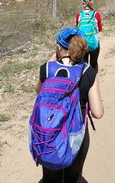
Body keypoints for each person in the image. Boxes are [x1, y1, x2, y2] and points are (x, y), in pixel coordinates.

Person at [35, 27, 104, 183]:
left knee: (50, 178)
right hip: (76, 134)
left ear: (58, 47)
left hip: (48, 133)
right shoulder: (88, 72)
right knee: (74, 177)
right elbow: (98, 113)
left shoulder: (46, 69)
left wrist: (55, 55)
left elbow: (38, 91)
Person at [76, 0, 102, 72]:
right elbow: (100, 29)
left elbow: (77, 28)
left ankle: (85, 81)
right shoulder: (96, 14)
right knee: (93, 64)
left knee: (84, 64)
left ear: (82, 3)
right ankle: (94, 80)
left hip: (82, 44)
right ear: (92, 3)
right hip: (94, 43)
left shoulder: (79, 15)